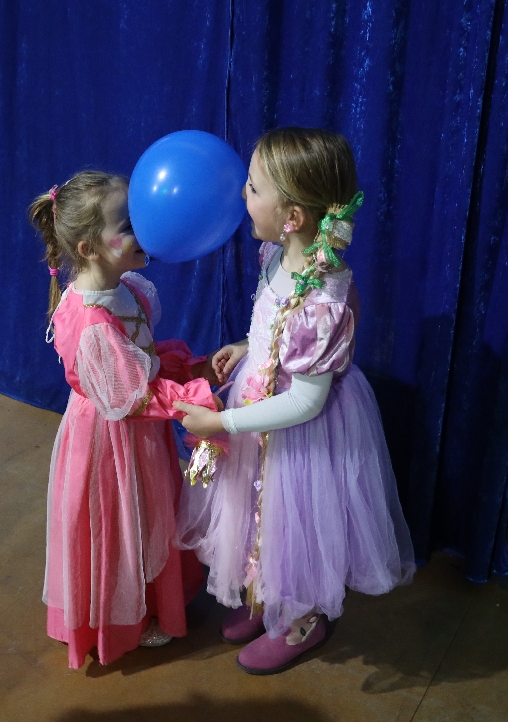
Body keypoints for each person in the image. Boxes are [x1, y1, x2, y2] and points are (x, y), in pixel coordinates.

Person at [176, 128, 415, 675]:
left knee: (293, 524)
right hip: (260, 407)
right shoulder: (276, 254)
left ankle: (301, 617)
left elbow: (306, 401)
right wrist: (248, 347)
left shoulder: (324, 298)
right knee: (256, 516)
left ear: (293, 216)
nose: (242, 194)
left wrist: (223, 421)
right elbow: (274, 327)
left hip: (301, 432)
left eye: (254, 187)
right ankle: (265, 594)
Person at [29, 171, 218, 669]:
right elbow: (132, 395)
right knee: (117, 522)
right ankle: (117, 620)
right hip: (108, 440)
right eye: (129, 224)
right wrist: (191, 397)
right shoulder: (91, 322)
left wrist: (193, 367)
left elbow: (144, 361)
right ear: (90, 248)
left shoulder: (128, 287)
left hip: (140, 433)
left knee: (147, 515)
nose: (146, 229)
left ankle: (152, 602)